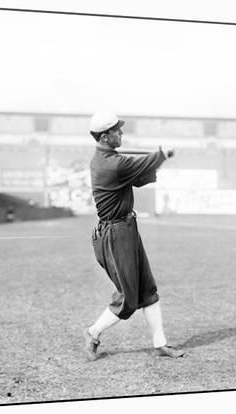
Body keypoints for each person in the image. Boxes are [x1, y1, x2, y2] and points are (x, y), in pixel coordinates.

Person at [83, 112, 185, 360]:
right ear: (105, 136)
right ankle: (92, 332)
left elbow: (138, 174)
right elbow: (140, 166)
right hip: (115, 234)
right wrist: (163, 154)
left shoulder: (108, 159)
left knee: (147, 290)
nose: (122, 133)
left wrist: (157, 158)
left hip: (126, 230)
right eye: (117, 131)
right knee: (129, 297)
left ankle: (160, 344)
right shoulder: (112, 164)